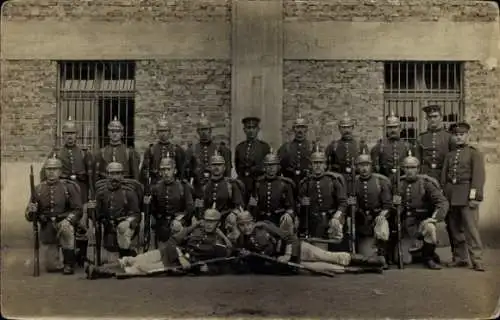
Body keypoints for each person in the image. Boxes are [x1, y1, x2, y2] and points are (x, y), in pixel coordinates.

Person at [85, 208, 233, 279]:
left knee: (139, 268)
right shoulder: (195, 231)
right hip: (169, 253)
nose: (208, 224)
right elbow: (173, 240)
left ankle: (101, 273)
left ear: (218, 223)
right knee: (134, 259)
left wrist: (208, 269)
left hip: (174, 264)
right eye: (207, 220)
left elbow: (225, 258)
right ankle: (98, 268)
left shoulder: (217, 243)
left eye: (212, 222)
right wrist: (193, 226)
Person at [233, 210, 385, 275]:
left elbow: (290, 237)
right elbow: (258, 265)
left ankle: (374, 261)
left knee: (331, 257)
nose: (246, 227)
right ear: (238, 226)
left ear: (252, 222)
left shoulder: (264, 226)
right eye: (242, 225)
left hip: (299, 249)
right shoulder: (241, 242)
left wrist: (287, 254)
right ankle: (369, 270)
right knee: (332, 269)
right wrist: (247, 257)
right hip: (292, 265)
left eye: (248, 223)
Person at [41, 116, 93, 267]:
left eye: (73, 133)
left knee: (82, 227)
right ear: (63, 135)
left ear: (77, 135)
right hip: (62, 196)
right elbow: (44, 174)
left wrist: (90, 196)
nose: (70, 136)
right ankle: (65, 257)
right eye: (67, 134)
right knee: (64, 225)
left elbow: (90, 177)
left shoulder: (84, 153)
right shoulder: (56, 153)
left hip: (81, 195)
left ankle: (80, 258)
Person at [25, 155, 83, 274]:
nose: (51, 172)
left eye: (54, 169)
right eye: (49, 169)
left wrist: (68, 220)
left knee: (66, 230)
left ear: (60, 171)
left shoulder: (68, 187)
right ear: (45, 171)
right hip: (48, 227)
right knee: (51, 267)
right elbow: (28, 216)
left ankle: (69, 263)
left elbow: (78, 209)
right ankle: (71, 255)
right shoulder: (38, 189)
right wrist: (32, 211)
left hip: (64, 222)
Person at [441, 121, 486, 272]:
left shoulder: (474, 153)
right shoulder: (450, 155)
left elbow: (478, 177)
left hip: (467, 196)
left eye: (461, 135)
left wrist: (475, 197)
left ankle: (477, 260)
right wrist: (444, 196)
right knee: (454, 229)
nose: (458, 138)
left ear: (467, 135)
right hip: (451, 195)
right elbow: (444, 177)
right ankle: (460, 258)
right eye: (456, 135)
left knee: (471, 230)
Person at [393, 152, 449, 270]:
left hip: (421, 223)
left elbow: (442, 202)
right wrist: (395, 205)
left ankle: (428, 257)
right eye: (407, 167)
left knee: (430, 228)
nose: (409, 170)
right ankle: (421, 252)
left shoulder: (426, 183)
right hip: (405, 226)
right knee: (403, 260)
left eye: (413, 167)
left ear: (418, 169)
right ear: (403, 169)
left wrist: (433, 218)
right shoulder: (399, 184)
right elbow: (392, 206)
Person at [416, 104, 456, 261]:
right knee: (426, 218)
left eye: (435, 117)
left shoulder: (449, 138)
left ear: (441, 118)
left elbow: (453, 162)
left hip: (443, 181)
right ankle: (428, 255)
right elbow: (418, 162)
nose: (432, 120)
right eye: (429, 117)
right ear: (426, 119)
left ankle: (457, 256)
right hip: (426, 182)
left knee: (450, 220)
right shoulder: (422, 138)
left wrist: (448, 184)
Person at [87, 161, 142, 259]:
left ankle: (126, 255)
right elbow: (96, 215)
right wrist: (92, 209)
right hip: (108, 227)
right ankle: (125, 255)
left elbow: (136, 214)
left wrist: (128, 222)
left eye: (117, 173)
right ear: (107, 175)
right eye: (111, 173)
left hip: (126, 228)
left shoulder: (129, 192)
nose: (114, 177)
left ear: (122, 175)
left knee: (122, 230)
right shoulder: (101, 192)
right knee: (110, 261)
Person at [348, 152, 393, 268]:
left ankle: (383, 255)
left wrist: (382, 215)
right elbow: (349, 204)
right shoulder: (353, 182)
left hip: (377, 217)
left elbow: (387, 205)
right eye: (361, 165)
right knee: (365, 255)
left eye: (366, 165)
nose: (364, 168)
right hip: (361, 219)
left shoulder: (381, 181)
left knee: (382, 225)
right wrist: (352, 204)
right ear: (357, 167)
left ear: (371, 166)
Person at [298, 147, 347, 242]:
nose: (318, 166)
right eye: (315, 163)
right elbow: (298, 202)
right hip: (313, 221)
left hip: (331, 219)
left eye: (320, 163)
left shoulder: (333, 180)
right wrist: (302, 203)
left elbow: (343, 203)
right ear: (311, 165)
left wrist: (337, 216)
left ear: (325, 165)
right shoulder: (306, 182)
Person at [148, 154, 195, 246]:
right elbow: (153, 208)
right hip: (162, 223)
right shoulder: (156, 187)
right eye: (163, 169)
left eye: (169, 169)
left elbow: (190, 209)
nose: (166, 173)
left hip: (179, 223)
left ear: (175, 171)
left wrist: (180, 220)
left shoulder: (183, 187)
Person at [248, 149, 296, 236]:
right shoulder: (258, 183)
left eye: (273, 165)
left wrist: (288, 214)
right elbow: (253, 205)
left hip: (279, 219)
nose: (271, 168)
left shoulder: (285, 184)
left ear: (278, 167)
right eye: (268, 165)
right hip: (262, 219)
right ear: (264, 167)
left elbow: (291, 207)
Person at [185, 113, 231, 199]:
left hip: (217, 187)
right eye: (201, 129)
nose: (204, 132)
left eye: (206, 129)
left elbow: (227, 172)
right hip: (198, 188)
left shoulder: (220, 149)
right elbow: (187, 172)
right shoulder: (192, 150)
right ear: (198, 131)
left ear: (210, 130)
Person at [199, 151, 245, 234]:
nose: (216, 167)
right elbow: (201, 206)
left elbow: (239, 206)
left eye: (219, 165)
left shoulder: (231, 184)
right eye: (214, 165)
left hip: (225, 222)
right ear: (209, 167)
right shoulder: (205, 185)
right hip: (208, 222)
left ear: (224, 167)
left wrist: (233, 214)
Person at [235, 116, 271, 204]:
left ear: (258, 129)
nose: (251, 131)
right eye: (248, 128)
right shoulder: (240, 147)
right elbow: (237, 166)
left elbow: (267, 166)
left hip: (258, 183)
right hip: (243, 184)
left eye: (253, 128)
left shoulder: (264, 147)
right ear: (244, 130)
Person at [141, 114, 186, 184]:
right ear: (157, 133)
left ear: (169, 132)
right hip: (155, 183)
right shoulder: (151, 150)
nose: (163, 133)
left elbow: (181, 170)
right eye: (161, 131)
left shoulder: (176, 149)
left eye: (165, 131)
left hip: (172, 184)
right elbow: (145, 171)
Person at [371, 113, 412, 184]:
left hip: (404, 182)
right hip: (384, 182)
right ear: (386, 129)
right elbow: (374, 169)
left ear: (400, 128)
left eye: (395, 127)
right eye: (390, 127)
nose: (393, 130)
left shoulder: (407, 146)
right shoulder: (379, 147)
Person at [277, 113, 312, 189]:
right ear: (293, 129)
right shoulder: (285, 147)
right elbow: (278, 168)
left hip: (307, 184)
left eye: (302, 127)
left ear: (306, 129)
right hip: (289, 184)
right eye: (297, 127)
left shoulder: (312, 147)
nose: (300, 130)